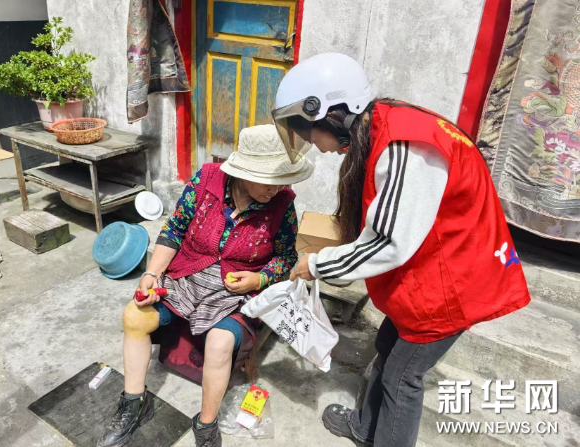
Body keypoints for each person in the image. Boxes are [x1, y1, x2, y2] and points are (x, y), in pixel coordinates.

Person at [273, 53, 531, 447]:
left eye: (311, 136)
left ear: (331, 114)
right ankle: (364, 427)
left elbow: (388, 242)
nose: (318, 149)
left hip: (454, 282)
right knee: (386, 346)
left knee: (402, 377)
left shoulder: (406, 147)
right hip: (434, 264)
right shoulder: (382, 123)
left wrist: (318, 264)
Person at [98, 124, 313, 447]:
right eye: (269, 181)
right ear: (244, 172)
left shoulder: (281, 203)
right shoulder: (205, 180)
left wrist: (259, 278)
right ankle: (134, 402)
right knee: (134, 316)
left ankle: (206, 424)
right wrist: (152, 274)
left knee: (220, 342)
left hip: (236, 292)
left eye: (282, 181)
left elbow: (286, 257)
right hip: (187, 277)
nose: (276, 189)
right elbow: (174, 229)